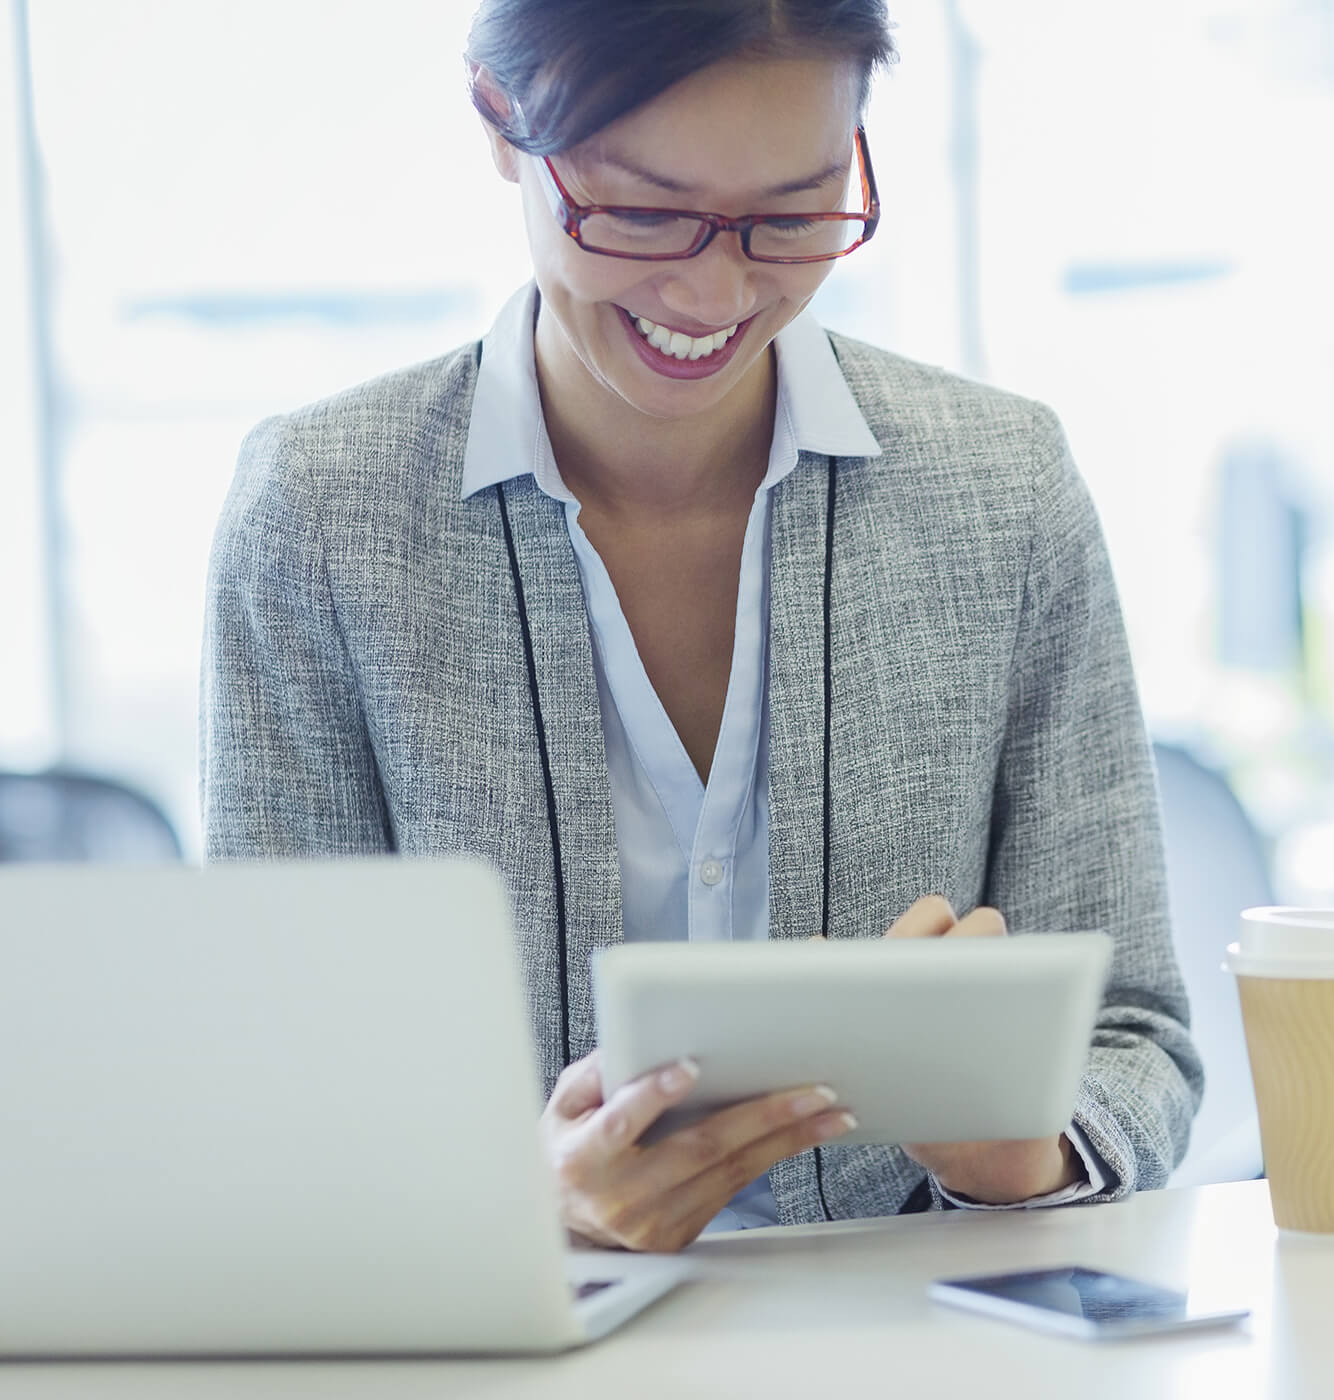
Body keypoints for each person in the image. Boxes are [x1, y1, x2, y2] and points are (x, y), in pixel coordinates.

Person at [200, 0, 1200, 1253]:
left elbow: (1137, 1035)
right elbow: (273, 1102)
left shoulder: (1005, 484)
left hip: (928, 1349)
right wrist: (512, 1208)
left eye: (792, 214)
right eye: (643, 210)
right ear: (500, 122)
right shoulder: (320, 512)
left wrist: (1024, 1147)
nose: (716, 289)